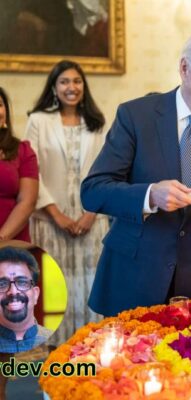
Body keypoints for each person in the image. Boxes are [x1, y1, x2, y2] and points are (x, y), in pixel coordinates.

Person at [81, 29, 191, 316]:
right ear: (185, 68)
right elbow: (93, 191)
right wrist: (149, 195)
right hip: (134, 275)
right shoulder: (136, 116)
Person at [25, 60, 108, 344]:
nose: (71, 87)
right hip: (50, 220)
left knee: (90, 291)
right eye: (64, 82)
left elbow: (106, 170)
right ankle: (54, 367)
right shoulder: (38, 120)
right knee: (55, 291)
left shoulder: (96, 124)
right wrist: (57, 215)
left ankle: (91, 361)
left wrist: (91, 213)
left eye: (77, 81)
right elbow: (30, 171)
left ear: (84, 86)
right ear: (54, 87)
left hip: (91, 221)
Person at [0, 87, 39, 243]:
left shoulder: (22, 150)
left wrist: (1, 239)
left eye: (0, 105)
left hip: (11, 243)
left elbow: (27, 201)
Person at [0, 246, 53, 353]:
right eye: (2, 284)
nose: (13, 292)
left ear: (35, 294)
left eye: (22, 282)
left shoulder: (55, 342)